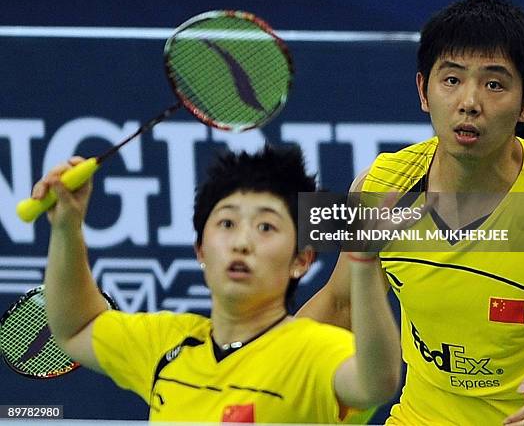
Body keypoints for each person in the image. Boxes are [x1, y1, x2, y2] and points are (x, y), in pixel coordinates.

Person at [299, 0, 524, 425]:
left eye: (494, 84)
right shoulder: (380, 186)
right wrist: (256, 365)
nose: (469, 102)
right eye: (451, 80)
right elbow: (341, 305)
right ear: (423, 91)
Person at [35, 145, 400, 423]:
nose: (242, 242)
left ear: (300, 260)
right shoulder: (166, 344)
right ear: (201, 251)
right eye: (227, 224)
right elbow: (76, 327)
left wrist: (364, 264)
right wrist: (67, 223)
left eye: (266, 227)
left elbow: (378, 381)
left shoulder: (316, 350)